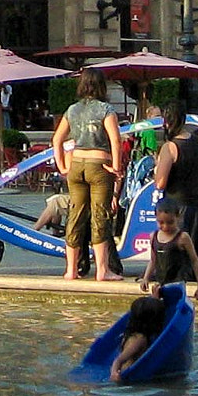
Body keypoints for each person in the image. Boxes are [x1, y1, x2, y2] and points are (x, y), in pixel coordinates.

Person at [52, 69, 124, 282]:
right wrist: (117, 168)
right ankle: (102, 271)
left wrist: (62, 167)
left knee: (75, 216)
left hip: (76, 165)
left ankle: (71, 270)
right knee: (99, 216)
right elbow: (116, 141)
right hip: (99, 165)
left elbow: (57, 140)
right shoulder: (106, 109)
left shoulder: (72, 110)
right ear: (102, 86)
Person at [152, 104, 198, 262]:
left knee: (179, 257)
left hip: (178, 207)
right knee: (195, 254)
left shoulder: (170, 147)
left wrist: (156, 171)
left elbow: (160, 183)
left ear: (167, 122)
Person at [140, 197, 198, 299]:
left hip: (177, 286)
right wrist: (145, 278)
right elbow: (153, 260)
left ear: (178, 218)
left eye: (170, 222)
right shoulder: (153, 236)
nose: (165, 227)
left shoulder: (182, 238)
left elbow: (195, 261)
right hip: (160, 284)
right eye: (161, 222)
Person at [107, 293, 169, 382]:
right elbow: (118, 360)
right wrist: (114, 374)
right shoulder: (138, 339)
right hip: (128, 379)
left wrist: (155, 299)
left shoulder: (135, 333)